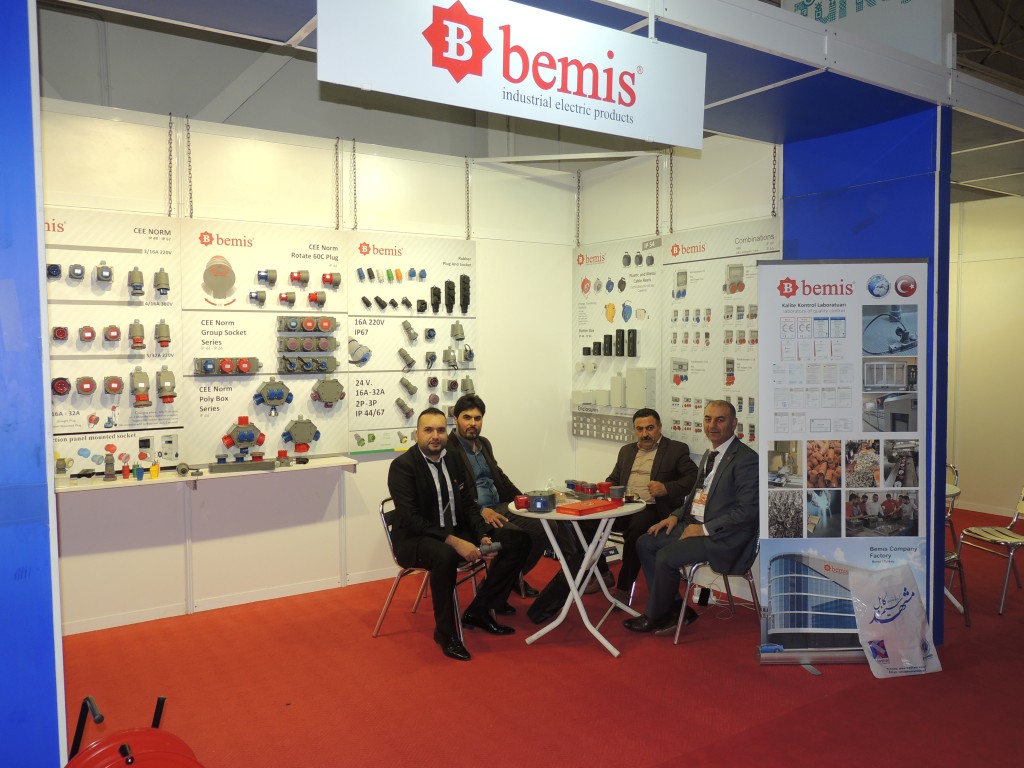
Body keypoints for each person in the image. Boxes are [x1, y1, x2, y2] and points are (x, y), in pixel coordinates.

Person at [387, 407, 531, 661]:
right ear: (416, 434)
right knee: (444, 555)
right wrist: (454, 542)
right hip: (415, 539)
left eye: (441, 430)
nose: (435, 436)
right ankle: (446, 634)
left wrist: (482, 533)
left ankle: (480, 610)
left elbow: (467, 503)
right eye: (428, 430)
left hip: (455, 530)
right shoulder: (402, 466)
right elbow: (411, 519)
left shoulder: (453, 458)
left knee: (518, 540)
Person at [624, 400, 759, 635]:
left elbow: (747, 512)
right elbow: (696, 494)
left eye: (720, 419)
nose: (712, 425)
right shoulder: (710, 454)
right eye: (708, 419)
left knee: (666, 556)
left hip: (724, 536)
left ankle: (656, 616)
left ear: (734, 424)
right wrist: (675, 516)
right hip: (695, 523)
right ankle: (677, 609)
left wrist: (703, 529)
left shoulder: (746, 459)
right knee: (645, 542)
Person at [444, 393, 556, 602]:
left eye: (477, 418)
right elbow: (451, 493)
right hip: (475, 515)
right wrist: (480, 511)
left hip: (500, 506)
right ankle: (497, 584)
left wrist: (524, 499)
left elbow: (499, 477)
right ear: (456, 419)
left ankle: (510, 577)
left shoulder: (484, 444)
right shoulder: (448, 449)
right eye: (467, 417)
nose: (472, 423)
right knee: (518, 537)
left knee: (547, 525)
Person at [601, 408, 697, 602]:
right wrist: (602, 488)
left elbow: (694, 478)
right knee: (584, 523)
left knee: (636, 531)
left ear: (659, 427)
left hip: (652, 508)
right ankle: (602, 573)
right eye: (640, 429)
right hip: (623, 506)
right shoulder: (626, 451)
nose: (645, 434)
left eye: (650, 428)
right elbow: (614, 479)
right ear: (634, 430)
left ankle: (624, 588)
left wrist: (667, 488)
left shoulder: (676, 449)